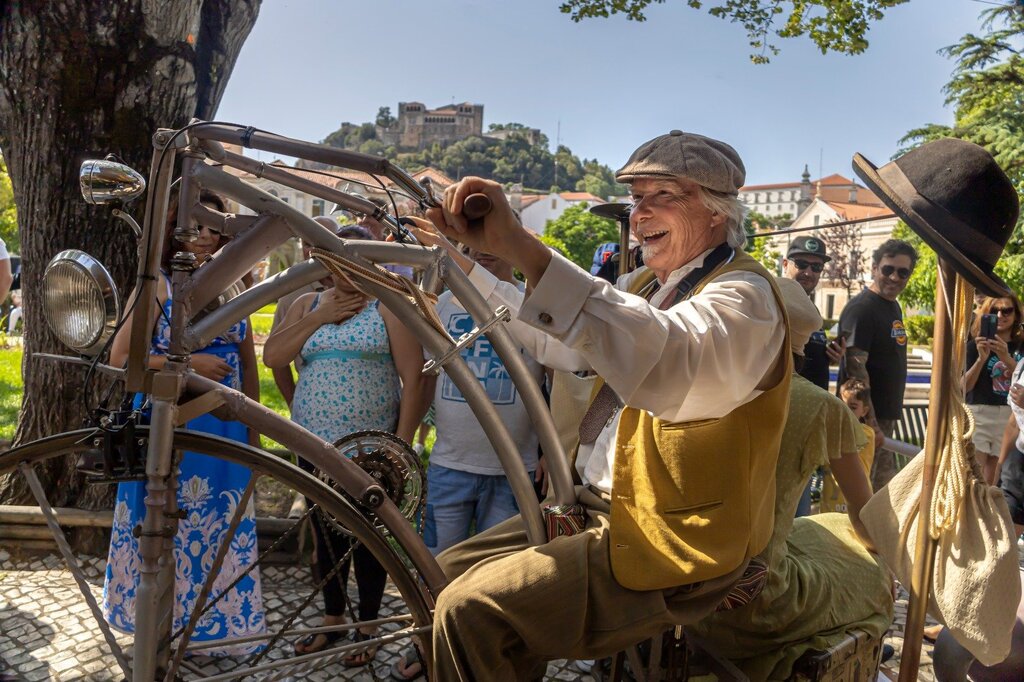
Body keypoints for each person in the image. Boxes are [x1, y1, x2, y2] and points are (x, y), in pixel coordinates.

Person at [397, 130, 791, 681]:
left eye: (663, 197)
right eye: (636, 198)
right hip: (592, 506)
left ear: (718, 213)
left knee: (473, 610)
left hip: (670, 539)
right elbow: (562, 344)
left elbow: (669, 358)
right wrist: (467, 268)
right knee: (437, 573)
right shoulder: (645, 285)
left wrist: (526, 251)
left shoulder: (744, 296)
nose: (640, 213)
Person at [688, 277, 891, 681]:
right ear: (802, 343)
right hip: (754, 602)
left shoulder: (687, 380)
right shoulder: (819, 407)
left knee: (821, 531)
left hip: (672, 589)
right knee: (876, 572)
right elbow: (867, 524)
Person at [103, 190, 265, 653]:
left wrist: (255, 434)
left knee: (217, 521)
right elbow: (122, 358)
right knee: (165, 523)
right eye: (198, 227)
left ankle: (207, 633)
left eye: (215, 229)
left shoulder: (235, 285)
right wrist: (189, 368)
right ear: (176, 227)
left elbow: (247, 364)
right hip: (170, 423)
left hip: (225, 423)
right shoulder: (156, 283)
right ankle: (158, 631)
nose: (206, 238)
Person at [263, 224, 428, 664]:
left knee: (371, 537)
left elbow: (414, 379)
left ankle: (369, 624)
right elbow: (273, 358)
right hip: (313, 441)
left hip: (371, 448)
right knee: (323, 533)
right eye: (337, 260)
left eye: (356, 260)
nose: (347, 270)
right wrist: (320, 316)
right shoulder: (305, 304)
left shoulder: (388, 307)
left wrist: (401, 443)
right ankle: (333, 617)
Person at [421, 246, 546, 557]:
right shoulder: (445, 306)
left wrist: (549, 451)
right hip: (450, 465)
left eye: (490, 242)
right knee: (438, 564)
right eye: (468, 245)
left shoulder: (529, 307)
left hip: (515, 469)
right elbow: (426, 373)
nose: (479, 249)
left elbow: (556, 383)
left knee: (498, 571)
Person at [837, 238, 918, 490]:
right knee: (863, 495)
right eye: (888, 269)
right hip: (865, 420)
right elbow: (856, 373)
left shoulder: (892, 306)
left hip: (884, 417)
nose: (894, 277)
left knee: (882, 493)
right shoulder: (862, 309)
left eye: (903, 272)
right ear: (874, 268)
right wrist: (871, 424)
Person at [268, 217, 337, 408]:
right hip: (312, 404)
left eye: (322, 243)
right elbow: (276, 358)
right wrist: (292, 402)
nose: (313, 250)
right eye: (307, 244)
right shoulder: (291, 294)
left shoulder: (369, 293)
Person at [965, 294, 1023, 484]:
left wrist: (1006, 357)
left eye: (1007, 310)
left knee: (995, 481)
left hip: (1010, 417)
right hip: (979, 414)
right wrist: (982, 359)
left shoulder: (1021, 347)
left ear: (1016, 315)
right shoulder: (975, 346)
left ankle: (988, 514)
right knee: (975, 478)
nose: (1000, 315)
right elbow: (964, 388)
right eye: (994, 311)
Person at [781, 236, 841, 390]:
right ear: (785, 264)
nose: (808, 273)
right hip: (789, 405)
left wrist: (827, 355)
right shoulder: (773, 303)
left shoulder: (810, 309)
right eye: (801, 264)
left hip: (813, 406)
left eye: (816, 267)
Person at [819, 379, 876, 514]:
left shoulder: (866, 433)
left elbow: (847, 440)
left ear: (864, 411)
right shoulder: (831, 430)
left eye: (852, 407)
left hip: (857, 502)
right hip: (830, 501)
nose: (845, 411)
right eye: (841, 405)